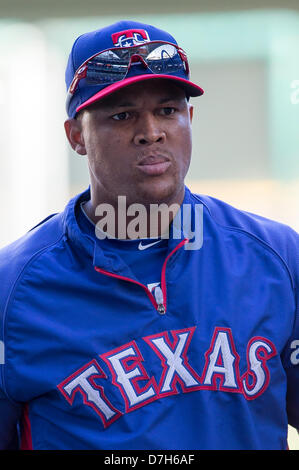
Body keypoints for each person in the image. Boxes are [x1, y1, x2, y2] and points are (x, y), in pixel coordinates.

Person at [0, 19, 298, 451]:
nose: (151, 132)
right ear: (76, 136)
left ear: (189, 118)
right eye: (122, 116)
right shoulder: (14, 289)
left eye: (167, 110)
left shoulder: (277, 258)